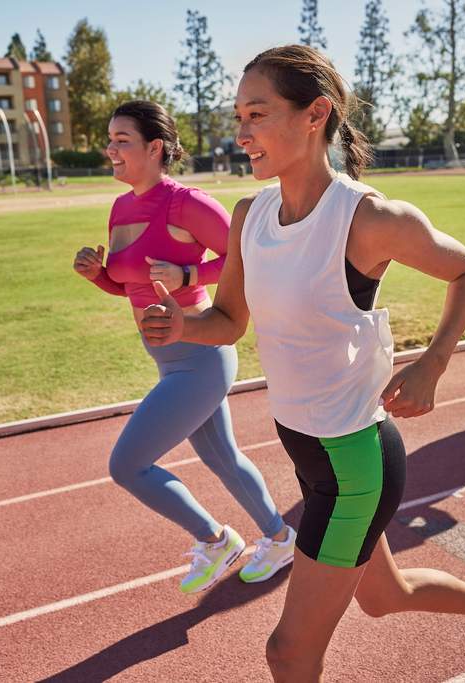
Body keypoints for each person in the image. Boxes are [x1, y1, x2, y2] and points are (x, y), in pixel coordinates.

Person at [140, 46, 465, 681]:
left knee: (288, 652)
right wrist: (182, 326)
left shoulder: (367, 218)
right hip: (309, 451)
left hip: (355, 460)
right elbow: (230, 321)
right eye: (238, 116)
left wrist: (432, 365)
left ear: (315, 115)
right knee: (386, 597)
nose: (241, 133)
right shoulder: (250, 217)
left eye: (257, 114)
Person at [72, 100, 295, 595]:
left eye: (121, 140)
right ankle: (280, 539)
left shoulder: (185, 202)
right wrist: (98, 276)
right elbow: (128, 285)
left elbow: (245, 257)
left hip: (201, 355)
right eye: (109, 139)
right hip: (169, 360)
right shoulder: (122, 206)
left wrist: (190, 274)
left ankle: (216, 540)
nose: (110, 149)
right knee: (224, 459)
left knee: (127, 466)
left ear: (155, 148)